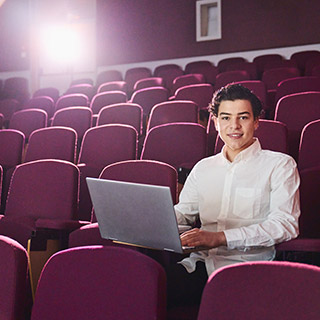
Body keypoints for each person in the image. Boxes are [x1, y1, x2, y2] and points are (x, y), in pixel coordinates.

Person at [166, 83, 300, 308]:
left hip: (251, 269)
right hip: (200, 264)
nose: (234, 126)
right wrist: (152, 224)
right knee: (142, 283)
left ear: (256, 121)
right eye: (226, 118)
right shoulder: (203, 168)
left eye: (243, 117)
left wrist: (219, 237)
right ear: (216, 122)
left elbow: (285, 225)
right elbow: (183, 214)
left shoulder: (280, 165)